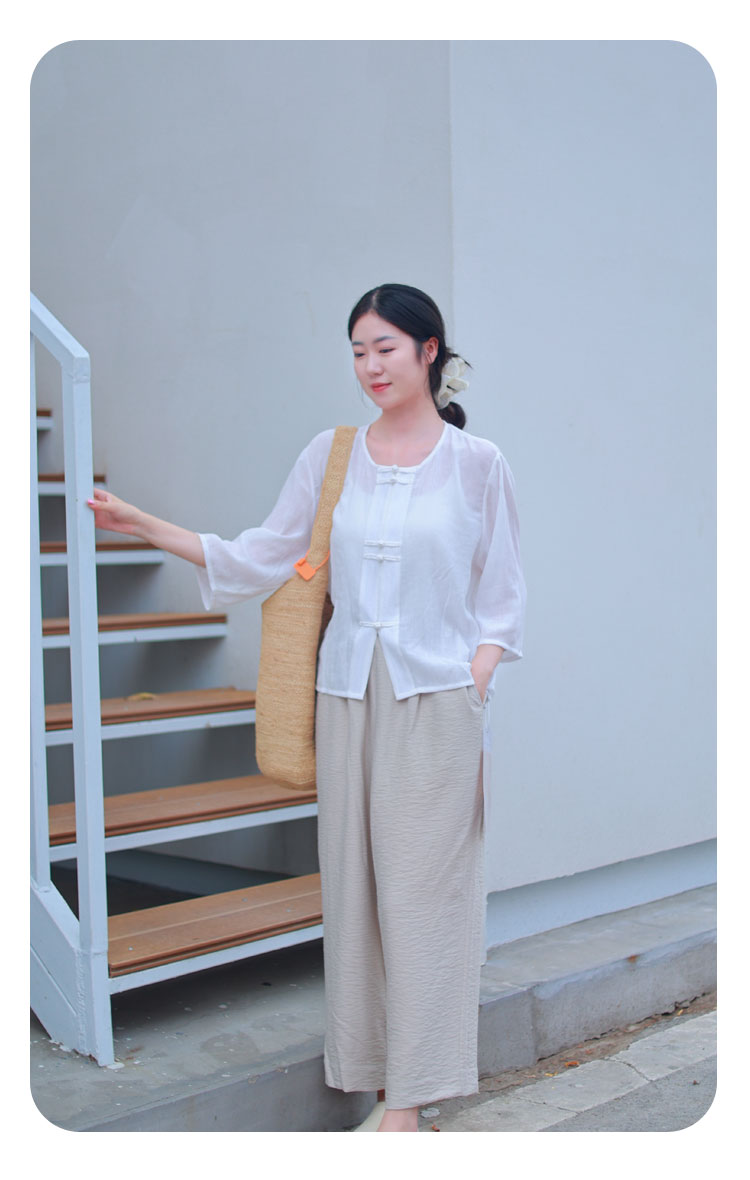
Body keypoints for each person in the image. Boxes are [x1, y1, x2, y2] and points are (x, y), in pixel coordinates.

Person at [88, 282, 526, 1133]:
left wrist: (474, 684)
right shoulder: (333, 457)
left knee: (425, 900)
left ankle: (409, 1103)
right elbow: (263, 554)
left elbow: (502, 599)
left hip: (436, 702)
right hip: (345, 696)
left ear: (429, 350)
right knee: (355, 899)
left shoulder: (478, 464)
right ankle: (371, 1075)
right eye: (358, 351)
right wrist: (146, 525)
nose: (370, 366)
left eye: (385, 348)